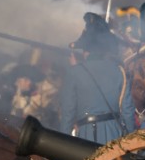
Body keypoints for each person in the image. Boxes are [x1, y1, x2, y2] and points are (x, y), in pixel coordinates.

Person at [58, 12, 135, 143]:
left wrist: (63, 142)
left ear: (85, 49)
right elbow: (127, 111)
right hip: (115, 135)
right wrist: (131, 139)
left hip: (87, 136)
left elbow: (68, 113)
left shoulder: (74, 72)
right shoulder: (119, 70)